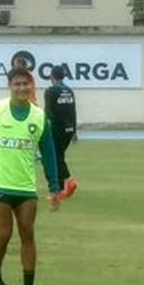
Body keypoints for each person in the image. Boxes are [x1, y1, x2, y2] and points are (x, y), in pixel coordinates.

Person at [0, 66, 64, 285]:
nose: (21, 88)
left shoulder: (39, 117)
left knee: (28, 233)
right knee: (4, 233)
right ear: (10, 87)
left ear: (31, 86)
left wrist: (54, 187)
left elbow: (49, 153)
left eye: (25, 84)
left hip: (25, 186)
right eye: (17, 84)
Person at [44, 64, 78, 198]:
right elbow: (73, 111)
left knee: (54, 156)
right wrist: (74, 130)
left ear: (51, 76)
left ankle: (69, 181)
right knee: (59, 156)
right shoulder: (69, 90)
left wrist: (44, 130)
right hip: (69, 130)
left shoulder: (50, 91)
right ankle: (60, 189)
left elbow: (48, 112)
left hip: (56, 129)